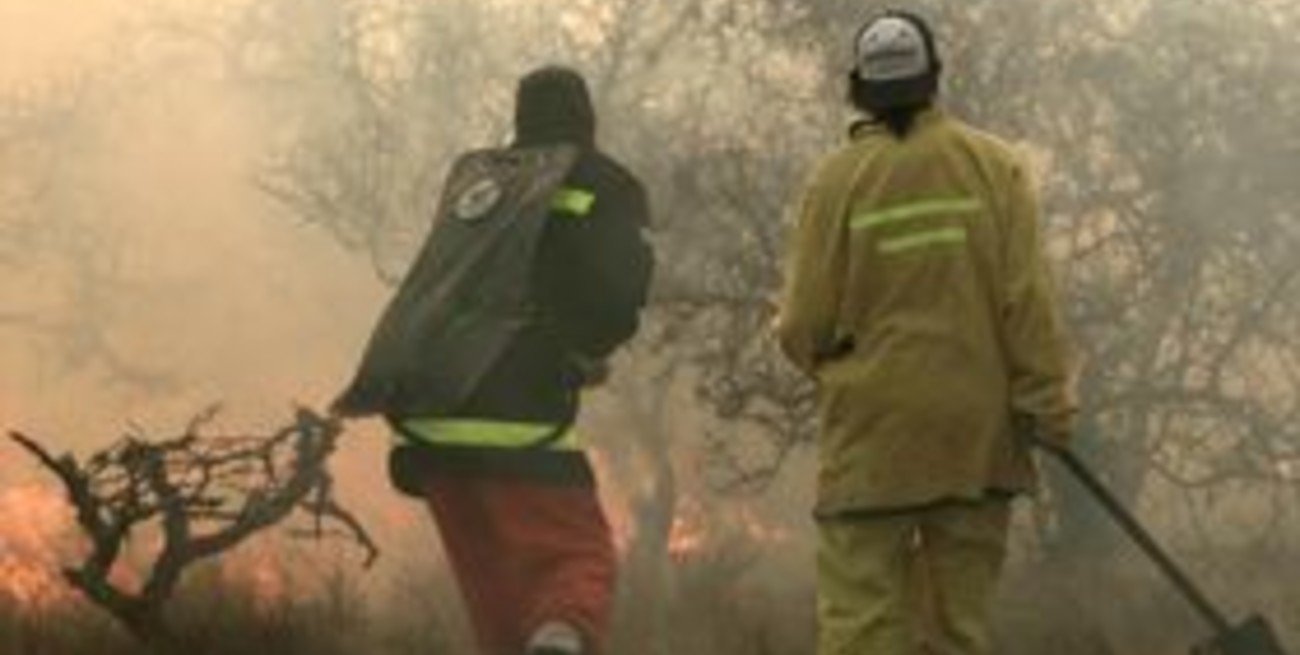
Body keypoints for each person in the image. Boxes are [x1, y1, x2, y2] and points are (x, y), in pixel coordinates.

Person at [773, 10, 1077, 655]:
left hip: (871, 441)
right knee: (957, 631)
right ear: (934, 76)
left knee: (859, 630)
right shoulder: (997, 168)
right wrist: (1047, 408)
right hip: (975, 440)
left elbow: (803, 324)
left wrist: (839, 371)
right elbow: (1027, 304)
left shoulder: (835, 182)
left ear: (858, 89)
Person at [333, 66, 653, 655]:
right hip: (515, 412)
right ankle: (561, 644)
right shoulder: (604, 181)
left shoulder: (479, 183)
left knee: (502, 606)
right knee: (576, 567)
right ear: (588, 118)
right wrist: (584, 351)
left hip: (425, 415)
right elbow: (616, 296)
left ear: (520, 121)